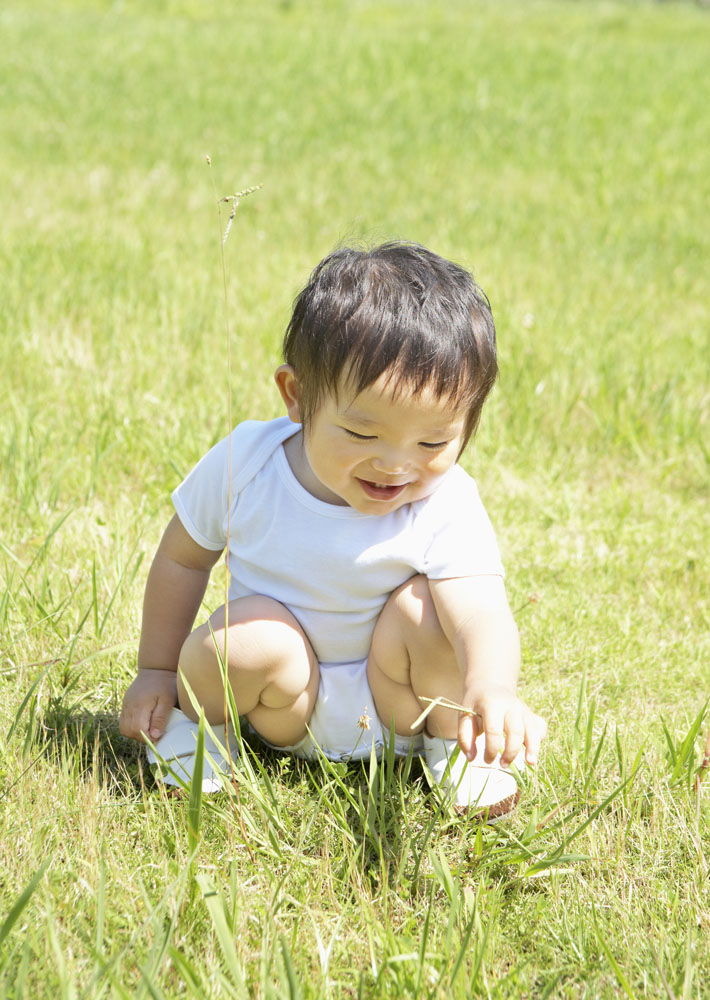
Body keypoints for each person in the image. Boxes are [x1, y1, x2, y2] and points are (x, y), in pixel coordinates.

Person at [119, 241, 546, 817]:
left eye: (433, 442)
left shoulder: (447, 499)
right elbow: (182, 560)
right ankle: (204, 732)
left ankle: (454, 746)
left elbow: (480, 611)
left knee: (430, 611)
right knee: (249, 637)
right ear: (298, 397)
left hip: (405, 708)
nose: (397, 464)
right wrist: (157, 671)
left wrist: (491, 688)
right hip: (285, 701)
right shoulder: (247, 464)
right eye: (364, 435)